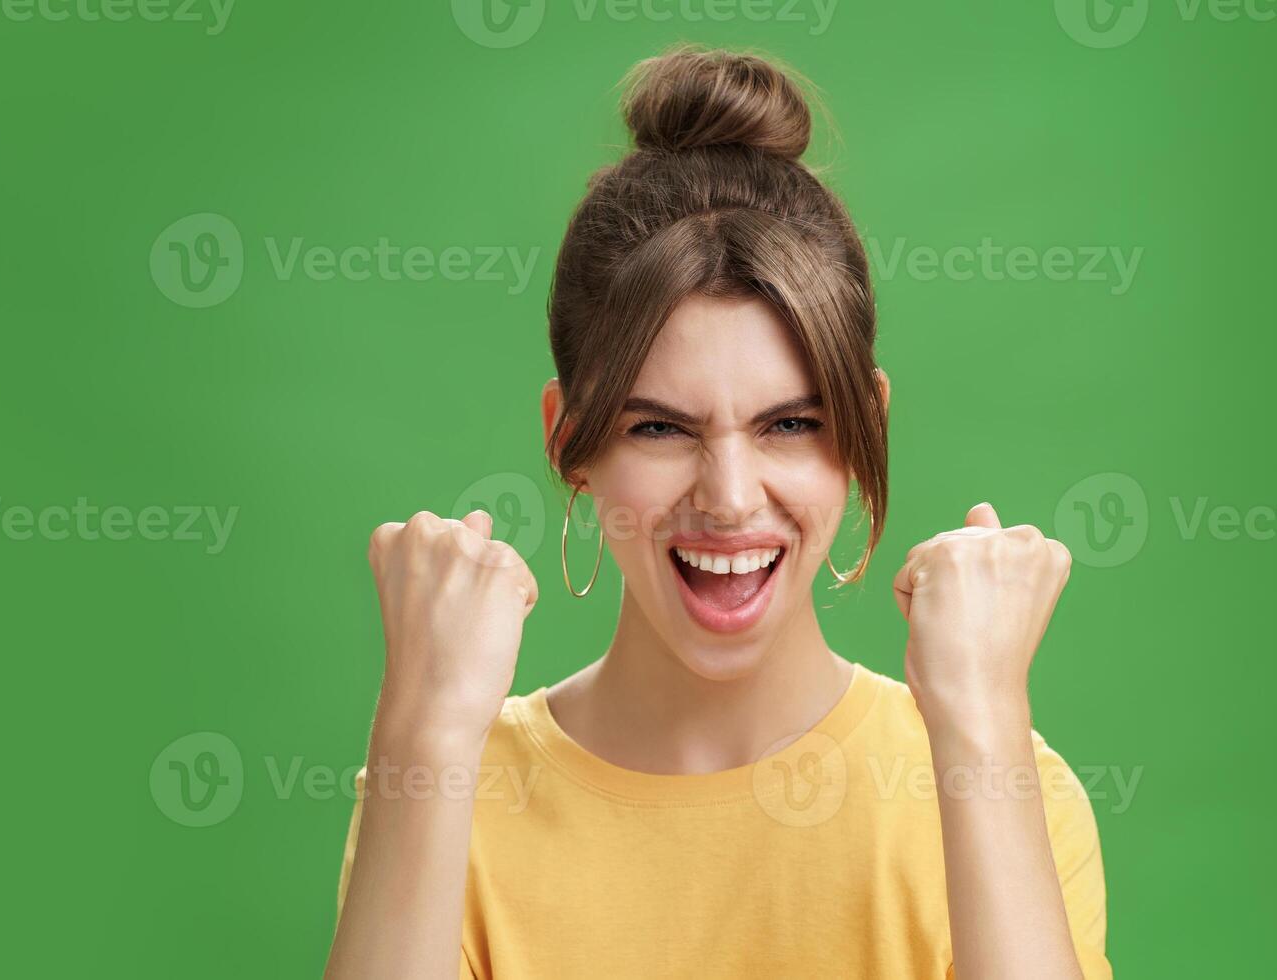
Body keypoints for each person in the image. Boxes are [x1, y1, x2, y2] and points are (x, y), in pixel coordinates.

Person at [326, 45, 1110, 980]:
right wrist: (420, 734)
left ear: (865, 429)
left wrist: (983, 724)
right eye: (660, 427)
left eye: (790, 423)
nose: (731, 500)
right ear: (568, 442)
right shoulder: (440, 789)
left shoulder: (1006, 787)